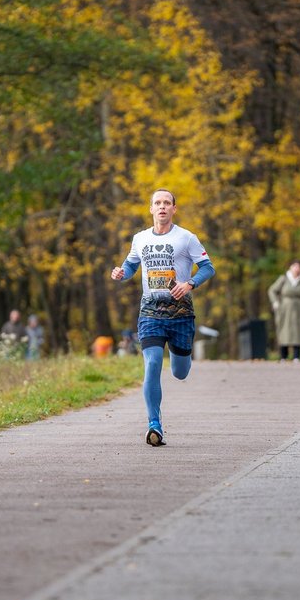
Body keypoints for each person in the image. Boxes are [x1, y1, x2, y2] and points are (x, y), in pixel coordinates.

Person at [111, 188, 215, 446]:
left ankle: (182, 357)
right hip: (150, 310)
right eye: (157, 203)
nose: (162, 207)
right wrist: (121, 273)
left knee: (180, 372)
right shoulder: (140, 239)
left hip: (180, 312)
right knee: (153, 363)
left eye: (167, 203)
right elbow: (131, 265)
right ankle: (154, 424)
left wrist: (189, 283)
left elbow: (208, 267)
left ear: (174, 209)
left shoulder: (186, 238)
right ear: (151, 209)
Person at [268, 260, 300, 362]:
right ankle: (283, 356)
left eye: (299, 267)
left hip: (299, 310)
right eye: (294, 266)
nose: (297, 269)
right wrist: (275, 303)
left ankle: (296, 356)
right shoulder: (283, 279)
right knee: (283, 331)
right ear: (290, 267)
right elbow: (272, 290)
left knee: (298, 331)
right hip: (284, 309)